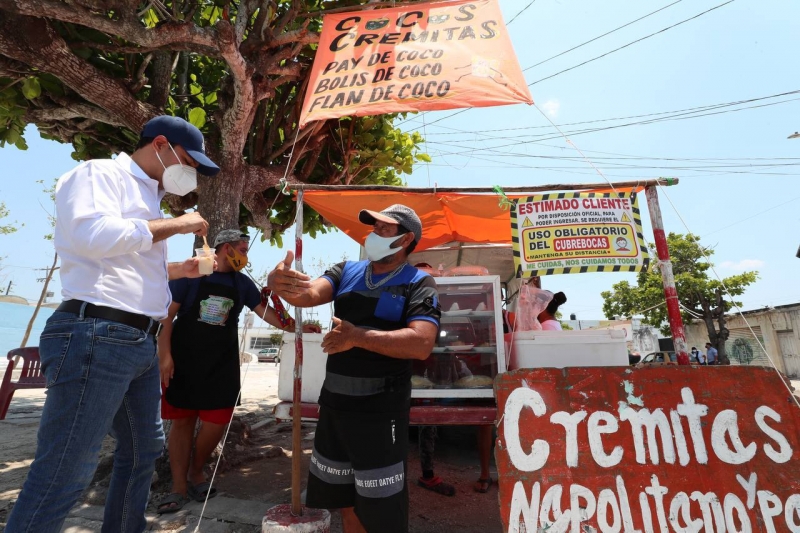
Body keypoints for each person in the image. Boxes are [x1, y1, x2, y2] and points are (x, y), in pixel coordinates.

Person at [8, 115, 219, 533]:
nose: (191, 173)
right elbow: (92, 237)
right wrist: (181, 224)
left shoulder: (149, 199)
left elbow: (125, 267)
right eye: (189, 162)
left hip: (135, 340)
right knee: (66, 468)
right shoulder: (100, 173)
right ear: (160, 144)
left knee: (144, 452)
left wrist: (182, 270)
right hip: (96, 333)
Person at [268, 204, 440, 533]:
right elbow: (306, 295)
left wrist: (357, 337)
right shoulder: (346, 270)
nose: (373, 234)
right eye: (373, 227)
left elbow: (421, 343)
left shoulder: (419, 282)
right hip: (336, 406)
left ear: (405, 240)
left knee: (382, 511)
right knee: (345, 501)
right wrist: (280, 282)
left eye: (383, 229)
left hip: (381, 412)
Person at [156, 229, 321, 513]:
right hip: (182, 362)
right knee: (182, 424)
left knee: (216, 424)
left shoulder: (242, 283)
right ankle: (178, 488)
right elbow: (166, 316)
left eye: (246, 250)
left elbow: (268, 313)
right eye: (242, 249)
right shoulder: (191, 275)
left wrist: (297, 327)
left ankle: (197, 470)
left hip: (222, 365)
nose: (245, 255)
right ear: (223, 248)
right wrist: (165, 356)